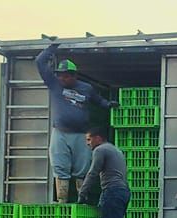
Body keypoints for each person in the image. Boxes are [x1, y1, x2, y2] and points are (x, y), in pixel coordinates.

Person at [36, 41, 118, 203]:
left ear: (74, 75)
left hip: (81, 134)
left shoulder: (86, 88)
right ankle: (62, 202)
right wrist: (51, 48)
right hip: (60, 132)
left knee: (82, 169)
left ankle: (81, 200)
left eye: (66, 75)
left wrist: (109, 104)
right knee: (60, 168)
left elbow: (98, 100)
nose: (62, 78)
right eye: (60, 74)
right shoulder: (54, 84)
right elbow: (39, 62)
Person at [78, 127, 130, 218]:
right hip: (122, 191)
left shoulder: (100, 150)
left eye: (89, 139)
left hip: (113, 191)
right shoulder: (115, 150)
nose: (88, 143)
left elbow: (93, 172)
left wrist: (82, 193)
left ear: (98, 138)